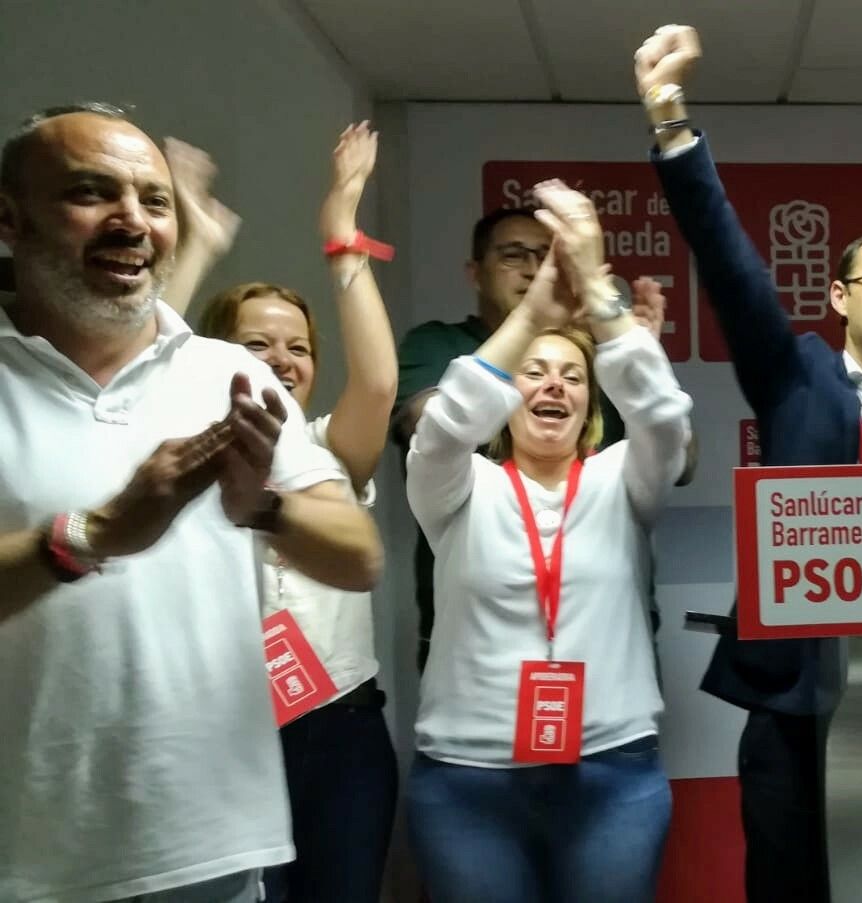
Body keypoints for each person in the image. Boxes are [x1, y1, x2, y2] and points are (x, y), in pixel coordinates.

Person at [635, 24, 862, 903]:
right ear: (839, 297)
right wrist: (673, 123)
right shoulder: (798, 378)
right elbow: (729, 263)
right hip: (799, 710)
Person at [0, 104, 382, 902]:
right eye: (91, 192)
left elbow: (360, 555)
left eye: (155, 199)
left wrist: (265, 510)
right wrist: (91, 534)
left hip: (214, 847)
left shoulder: (221, 374)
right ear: (11, 219)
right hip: (33, 856)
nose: (132, 220)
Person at [403, 179, 690, 903]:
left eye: (572, 376)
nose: (553, 386)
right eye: (534, 374)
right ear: (506, 395)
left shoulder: (623, 477)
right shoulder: (457, 483)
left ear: (593, 401)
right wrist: (534, 314)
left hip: (612, 776)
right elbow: (442, 423)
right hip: (469, 782)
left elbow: (662, 420)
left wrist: (595, 284)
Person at [180, 122, 399, 903]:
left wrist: (343, 236)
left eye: (298, 347)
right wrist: (197, 247)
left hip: (342, 731)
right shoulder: (178, 458)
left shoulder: (326, 452)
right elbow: (151, 356)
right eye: (255, 345)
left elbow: (377, 385)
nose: (280, 362)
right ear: (213, 356)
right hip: (225, 726)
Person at [390, 207, 679, 671]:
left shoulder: (596, 356)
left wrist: (640, 364)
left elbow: (680, 461)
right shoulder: (437, 343)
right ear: (476, 273)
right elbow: (433, 428)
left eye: (546, 256)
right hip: (477, 637)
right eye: (513, 255)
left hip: (609, 633)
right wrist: (530, 324)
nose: (531, 268)